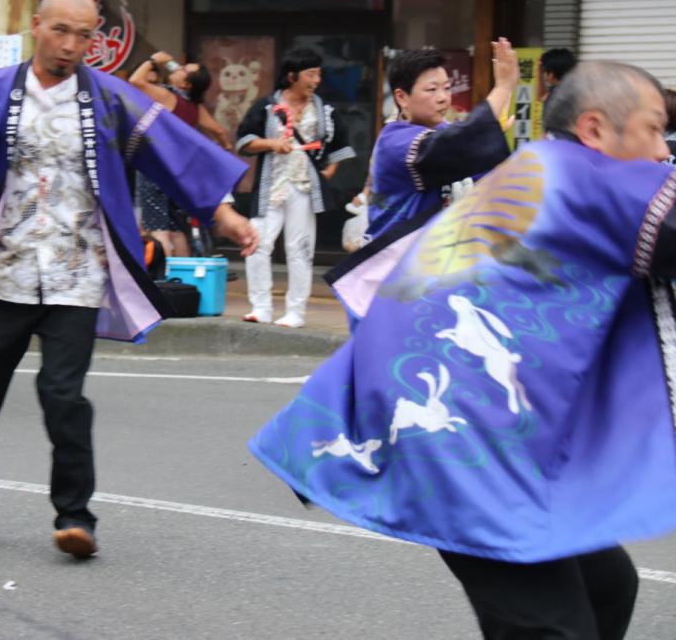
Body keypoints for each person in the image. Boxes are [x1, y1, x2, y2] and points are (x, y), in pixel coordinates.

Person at [251, 60, 676, 639]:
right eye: (654, 129)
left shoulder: (540, 168)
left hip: (473, 399)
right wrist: (500, 93)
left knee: (608, 585)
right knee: (552, 628)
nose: (661, 151)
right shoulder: (579, 177)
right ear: (595, 129)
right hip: (463, 429)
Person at [0, 0, 257, 558]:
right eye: (61, 31)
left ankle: (77, 518)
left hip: (78, 273)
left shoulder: (110, 98)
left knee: (63, 395)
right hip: (7, 269)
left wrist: (223, 213)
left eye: (85, 35)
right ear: (37, 26)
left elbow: (171, 151)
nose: (72, 45)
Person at [235, 47, 356, 327]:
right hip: (271, 185)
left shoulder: (324, 111)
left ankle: (295, 312)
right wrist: (272, 144)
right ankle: (260, 307)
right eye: (310, 73)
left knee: (300, 249)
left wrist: (329, 169)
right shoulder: (266, 107)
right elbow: (244, 141)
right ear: (292, 76)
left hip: (303, 187)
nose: (316, 80)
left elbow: (338, 147)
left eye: (318, 74)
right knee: (257, 244)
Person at [365, 43, 518, 242]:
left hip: (442, 258)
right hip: (397, 261)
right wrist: (503, 89)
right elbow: (455, 146)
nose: (443, 98)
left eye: (447, 88)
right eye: (431, 89)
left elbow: (490, 180)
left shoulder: (445, 132)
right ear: (402, 97)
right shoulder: (393, 140)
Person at [128, 51, 231, 258]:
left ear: (187, 84)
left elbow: (135, 80)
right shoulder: (194, 106)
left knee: (158, 229)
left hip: (155, 166)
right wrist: (225, 148)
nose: (178, 69)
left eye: (184, 70)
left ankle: (163, 280)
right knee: (176, 229)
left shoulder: (168, 96)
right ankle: (182, 278)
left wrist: (153, 60)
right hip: (178, 170)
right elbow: (219, 131)